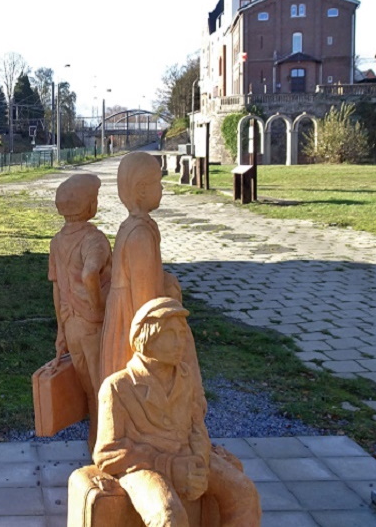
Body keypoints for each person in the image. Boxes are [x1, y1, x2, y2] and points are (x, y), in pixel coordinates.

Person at [93, 298, 261, 526]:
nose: (180, 342)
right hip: (145, 467)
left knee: (244, 492)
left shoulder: (186, 376)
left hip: (188, 457)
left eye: (182, 334)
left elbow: (197, 427)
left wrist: (199, 462)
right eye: (171, 334)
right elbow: (107, 454)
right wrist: (169, 466)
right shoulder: (118, 386)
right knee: (169, 515)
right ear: (147, 338)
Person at [100, 151, 182, 379]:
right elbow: (145, 297)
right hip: (133, 319)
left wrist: (165, 279)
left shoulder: (133, 225)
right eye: (159, 182)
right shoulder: (140, 236)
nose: (162, 189)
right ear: (142, 189)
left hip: (127, 312)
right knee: (133, 378)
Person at [48, 173, 112, 449]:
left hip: (71, 324)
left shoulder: (56, 242)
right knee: (104, 386)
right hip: (91, 324)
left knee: (89, 387)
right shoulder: (94, 239)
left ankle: (94, 441)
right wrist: (97, 308)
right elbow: (90, 274)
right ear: (89, 206)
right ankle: (107, 443)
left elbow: (57, 288)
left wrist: (61, 330)